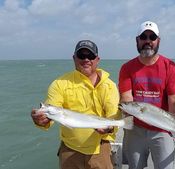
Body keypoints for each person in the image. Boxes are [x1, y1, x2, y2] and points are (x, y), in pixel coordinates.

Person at [30, 40, 120, 169]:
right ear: (74, 58)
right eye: (81, 56)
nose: (86, 59)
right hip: (70, 151)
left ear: (97, 59)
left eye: (90, 56)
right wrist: (40, 120)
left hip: (101, 150)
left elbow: (113, 116)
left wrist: (109, 128)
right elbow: (50, 113)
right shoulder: (59, 84)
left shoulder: (109, 86)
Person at [118, 21, 175, 169]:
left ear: (158, 41)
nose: (148, 41)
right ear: (137, 40)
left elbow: (174, 101)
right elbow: (126, 99)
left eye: (152, 37)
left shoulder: (170, 67)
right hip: (135, 128)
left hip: (162, 129)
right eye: (143, 37)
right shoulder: (127, 68)